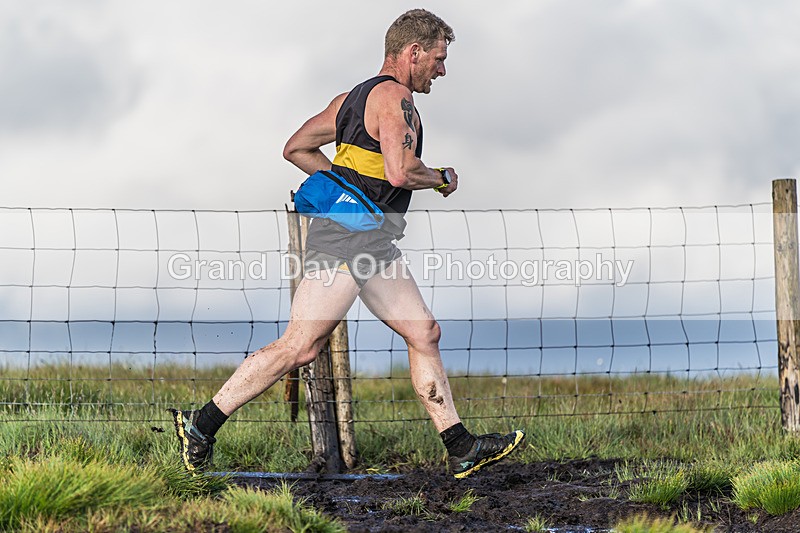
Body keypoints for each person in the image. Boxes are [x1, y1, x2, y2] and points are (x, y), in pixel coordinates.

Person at [169, 8, 525, 480]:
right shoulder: (395, 98)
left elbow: (296, 147)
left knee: (425, 333)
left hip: (374, 245)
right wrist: (441, 177)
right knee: (301, 345)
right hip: (343, 243)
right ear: (413, 52)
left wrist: (345, 191)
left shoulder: (349, 100)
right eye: (438, 59)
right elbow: (401, 172)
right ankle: (200, 425)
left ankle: (460, 447)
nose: (441, 70)